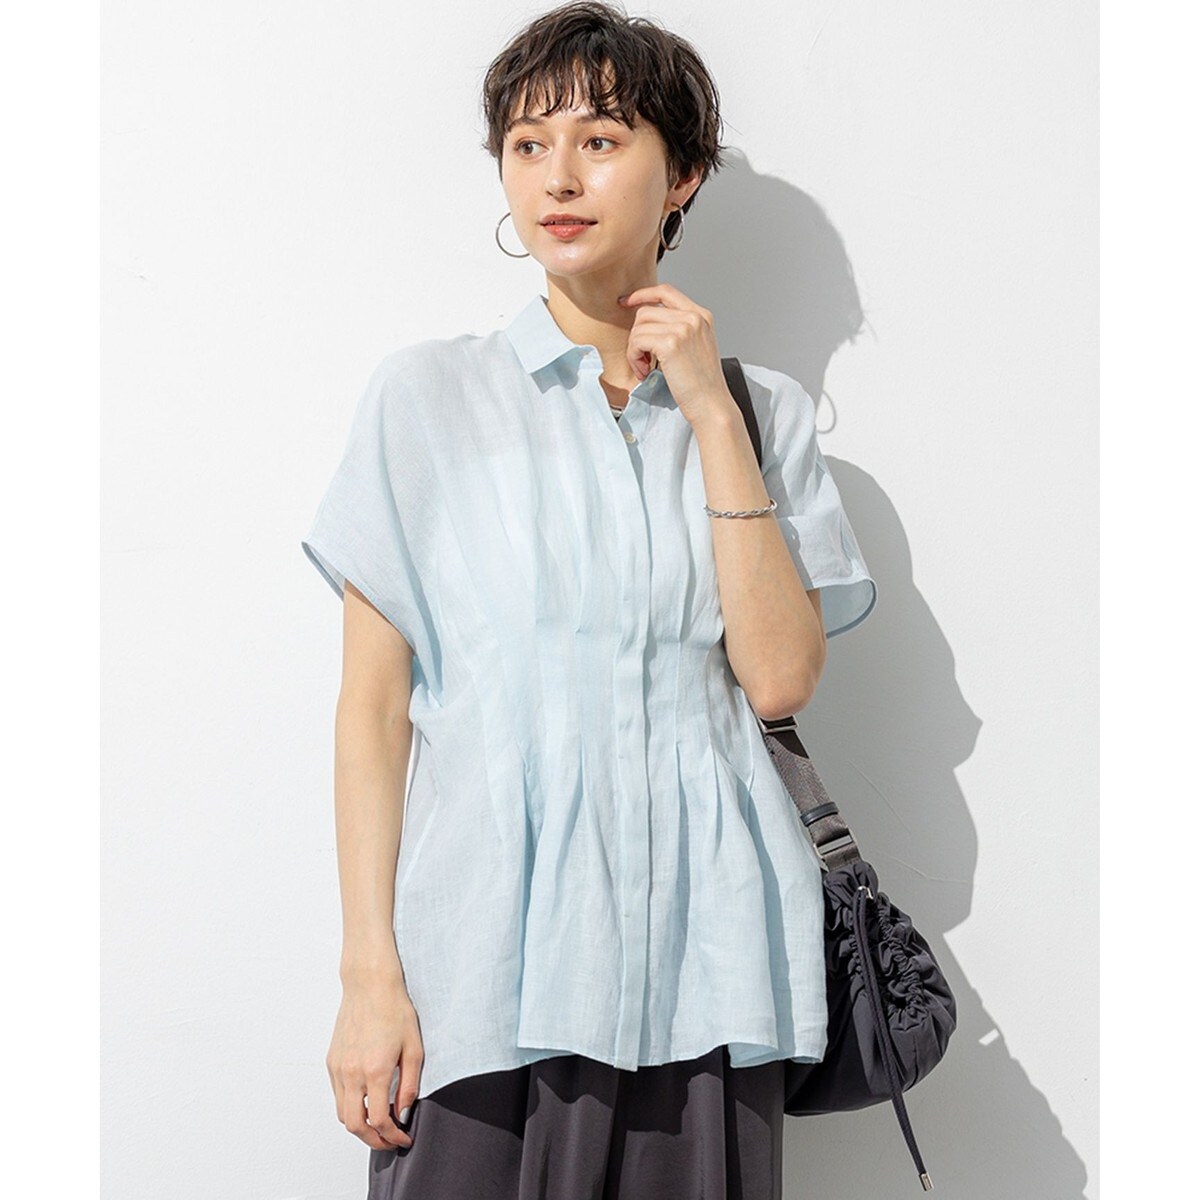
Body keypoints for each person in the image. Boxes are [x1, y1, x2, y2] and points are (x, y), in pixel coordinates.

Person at [300, 3, 877, 1196]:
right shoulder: (426, 402)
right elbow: (372, 712)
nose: (557, 177)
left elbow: (779, 676)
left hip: (712, 974)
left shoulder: (760, 414)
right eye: (528, 144)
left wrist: (711, 415)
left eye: (601, 140)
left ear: (684, 174)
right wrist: (369, 977)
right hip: (485, 978)